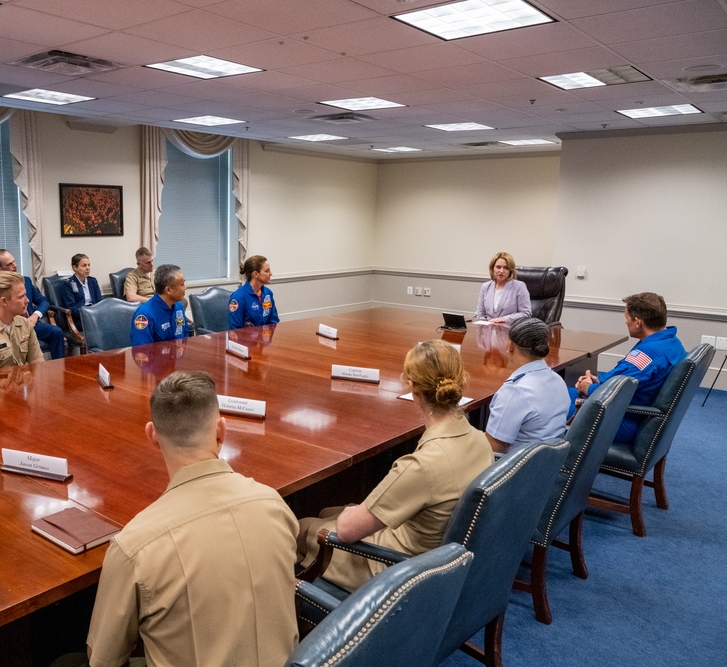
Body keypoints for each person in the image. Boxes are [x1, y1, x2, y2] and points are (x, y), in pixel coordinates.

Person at [86, 371, 299, 666]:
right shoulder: (275, 506)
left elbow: (103, 659)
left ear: (152, 436)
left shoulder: (134, 548)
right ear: (221, 430)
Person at [297, 340, 494, 591]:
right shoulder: (478, 439)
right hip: (434, 553)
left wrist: (349, 513)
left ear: (413, 390)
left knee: (301, 526)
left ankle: (298, 605)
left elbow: (346, 531)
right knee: (327, 512)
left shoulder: (422, 466)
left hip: (395, 568)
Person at [571, 292, 686, 443]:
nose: (626, 323)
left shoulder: (648, 355)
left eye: (627, 318)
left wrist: (586, 387)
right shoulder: (671, 342)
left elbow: (611, 393)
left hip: (627, 419)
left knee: (552, 400)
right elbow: (625, 378)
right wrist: (597, 381)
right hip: (639, 411)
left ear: (638, 322)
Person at [485, 317, 569, 453]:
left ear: (510, 346)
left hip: (515, 468)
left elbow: (494, 449)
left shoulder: (515, 391)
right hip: (547, 462)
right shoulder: (558, 380)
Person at [0, 249, 65, 360]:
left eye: (14, 261)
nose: (15, 266)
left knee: (56, 332)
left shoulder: (25, 280)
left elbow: (44, 301)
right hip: (5, 325)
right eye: (9, 264)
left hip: (30, 322)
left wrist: (35, 316)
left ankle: (60, 369)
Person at [130, 263, 189, 345]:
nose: (185, 287)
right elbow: (142, 351)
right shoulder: (144, 315)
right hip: (156, 357)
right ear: (168, 290)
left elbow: (185, 337)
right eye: (182, 284)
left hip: (177, 356)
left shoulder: (179, 307)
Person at [475, 251, 532, 324]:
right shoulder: (485, 287)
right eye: (498, 267)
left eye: (506, 268)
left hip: (509, 330)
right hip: (487, 330)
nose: (501, 271)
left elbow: (526, 313)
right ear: (492, 268)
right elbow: (480, 314)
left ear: (510, 270)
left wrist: (504, 319)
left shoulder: (519, 287)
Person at [229, 254, 280, 329]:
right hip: (245, 339)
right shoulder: (238, 297)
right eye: (267, 271)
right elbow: (235, 330)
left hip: (265, 338)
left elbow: (273, 321)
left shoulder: (268, 293)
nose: (271, 274)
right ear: (256, 274)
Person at [62, 253, 102, 328]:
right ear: (75, 267)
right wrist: (88, 314)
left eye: (88, 265)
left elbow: (99, 301)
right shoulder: (68, 284)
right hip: (80, 319)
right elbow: (71, 307)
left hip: (95, 315)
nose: (87, 268)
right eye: (84, 265)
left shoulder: (93, 281)